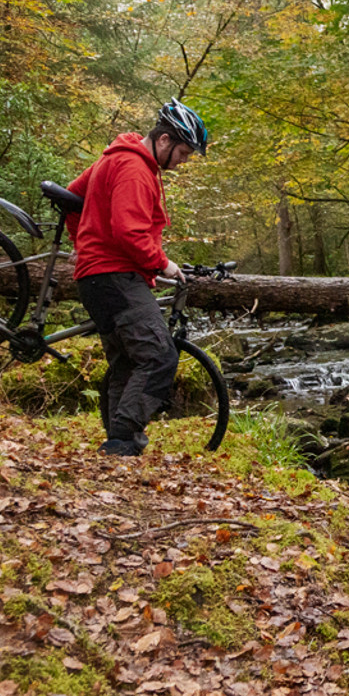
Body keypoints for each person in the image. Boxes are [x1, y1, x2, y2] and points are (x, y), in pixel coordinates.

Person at [66, 100, 209, 456]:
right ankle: (124, 437)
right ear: (164, 140)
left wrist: (83, 241)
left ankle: (119, 444)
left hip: (98, 278)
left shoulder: (117, 157)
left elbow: (72, 195)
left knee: (128, 363)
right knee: (160, 356)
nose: (184, 161)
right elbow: (129, 232)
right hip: (115, 276)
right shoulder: (133, 168)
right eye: (183, 152)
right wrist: (163, 264)